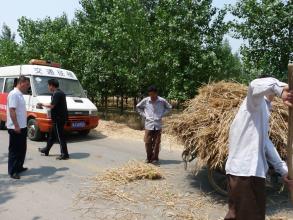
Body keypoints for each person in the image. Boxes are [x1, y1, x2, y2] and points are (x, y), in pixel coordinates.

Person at [224, 76, 293, 220]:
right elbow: (255, 84)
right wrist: (281, 89)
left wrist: (283, 170)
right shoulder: (255, 103)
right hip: (245, 174)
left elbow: (265, 143)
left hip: (251, 175)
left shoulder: (264, 109)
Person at [136, 85, 172, 164]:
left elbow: (169, 107)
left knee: (157, 143)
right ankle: (149, 158)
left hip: (158, 125)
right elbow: (138, 107)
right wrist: (144, 115)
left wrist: (162, 114)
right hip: (148, 125)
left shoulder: (162, 101)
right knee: (147, 142)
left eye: (153, 94)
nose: (151, 96)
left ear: (156, 93)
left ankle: (155, 158)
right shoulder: (146, 100)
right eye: (150, 94)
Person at [38, 79, 69, 160]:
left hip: (59, 119)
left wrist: (42, 104)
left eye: (48, 85)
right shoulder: (56, 93)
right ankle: (46, 150)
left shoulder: (57, 93)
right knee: (52, 136)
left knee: (60, 137)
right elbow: (53, 104)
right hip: (57, 119)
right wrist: (45, 105)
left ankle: (65, 154)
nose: (48, 87)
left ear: (52, 85)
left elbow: (52, 105)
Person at [7, 76, 30, 179]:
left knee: (22, 149)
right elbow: (12, 110)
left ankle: (19, 167)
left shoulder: (20, 95)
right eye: (27, 84)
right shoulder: (14, 94)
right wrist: (16, 125)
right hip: (15, 128)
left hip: (22, 127)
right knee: (15, 150)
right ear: (21, 83)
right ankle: (13, 171)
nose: (28, 87)